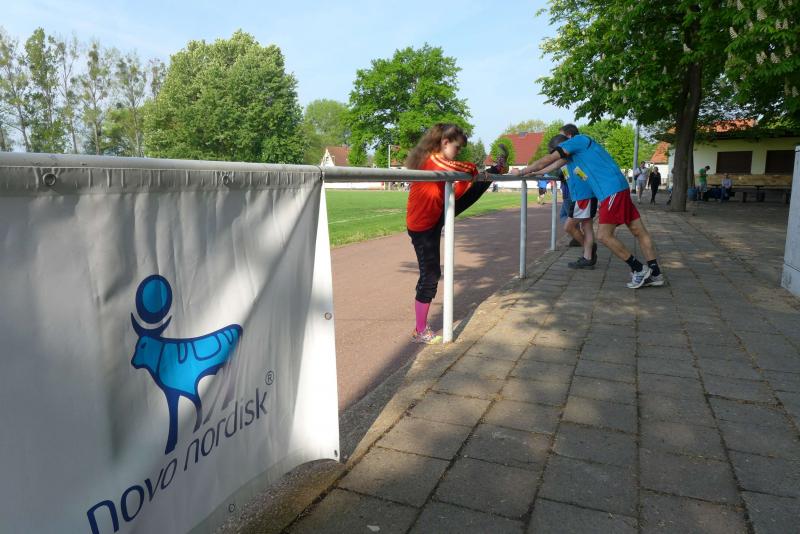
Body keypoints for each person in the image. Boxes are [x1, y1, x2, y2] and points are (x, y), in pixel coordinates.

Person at [513, 123, 664, 289]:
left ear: (568, 137)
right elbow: (553, 164)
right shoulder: (581, 148)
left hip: (610, 191)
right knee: (639, 231)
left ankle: (639, 269)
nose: (560, 146)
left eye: (562, 139)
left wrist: (521, 172)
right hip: (619, 187)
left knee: (604, 236)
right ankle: (656, 274)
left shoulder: (577, 141)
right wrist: (535, 172)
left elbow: (548, 159)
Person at [405, 123, 500, 344]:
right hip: (422, 226)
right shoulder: (433, 160)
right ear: (445, 142)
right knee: (430, 275)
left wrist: (486, 174)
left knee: (476, 186)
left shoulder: (438, 162)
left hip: (436, 215)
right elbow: (464, 168)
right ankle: (420, 330)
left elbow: (458, 186)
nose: (458, 152)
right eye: (457, 148)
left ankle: (495, 171)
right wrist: (472, 169)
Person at [549, 134, 597, 269]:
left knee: (569, 227)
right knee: (587, 227)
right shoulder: (567, 161)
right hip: (582, 197)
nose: (554, 155)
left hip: (583, 198)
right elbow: (555, 170)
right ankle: (588, 257)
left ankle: (589, 250)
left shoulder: (574, 159)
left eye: (554, 152)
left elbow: (584, 176)